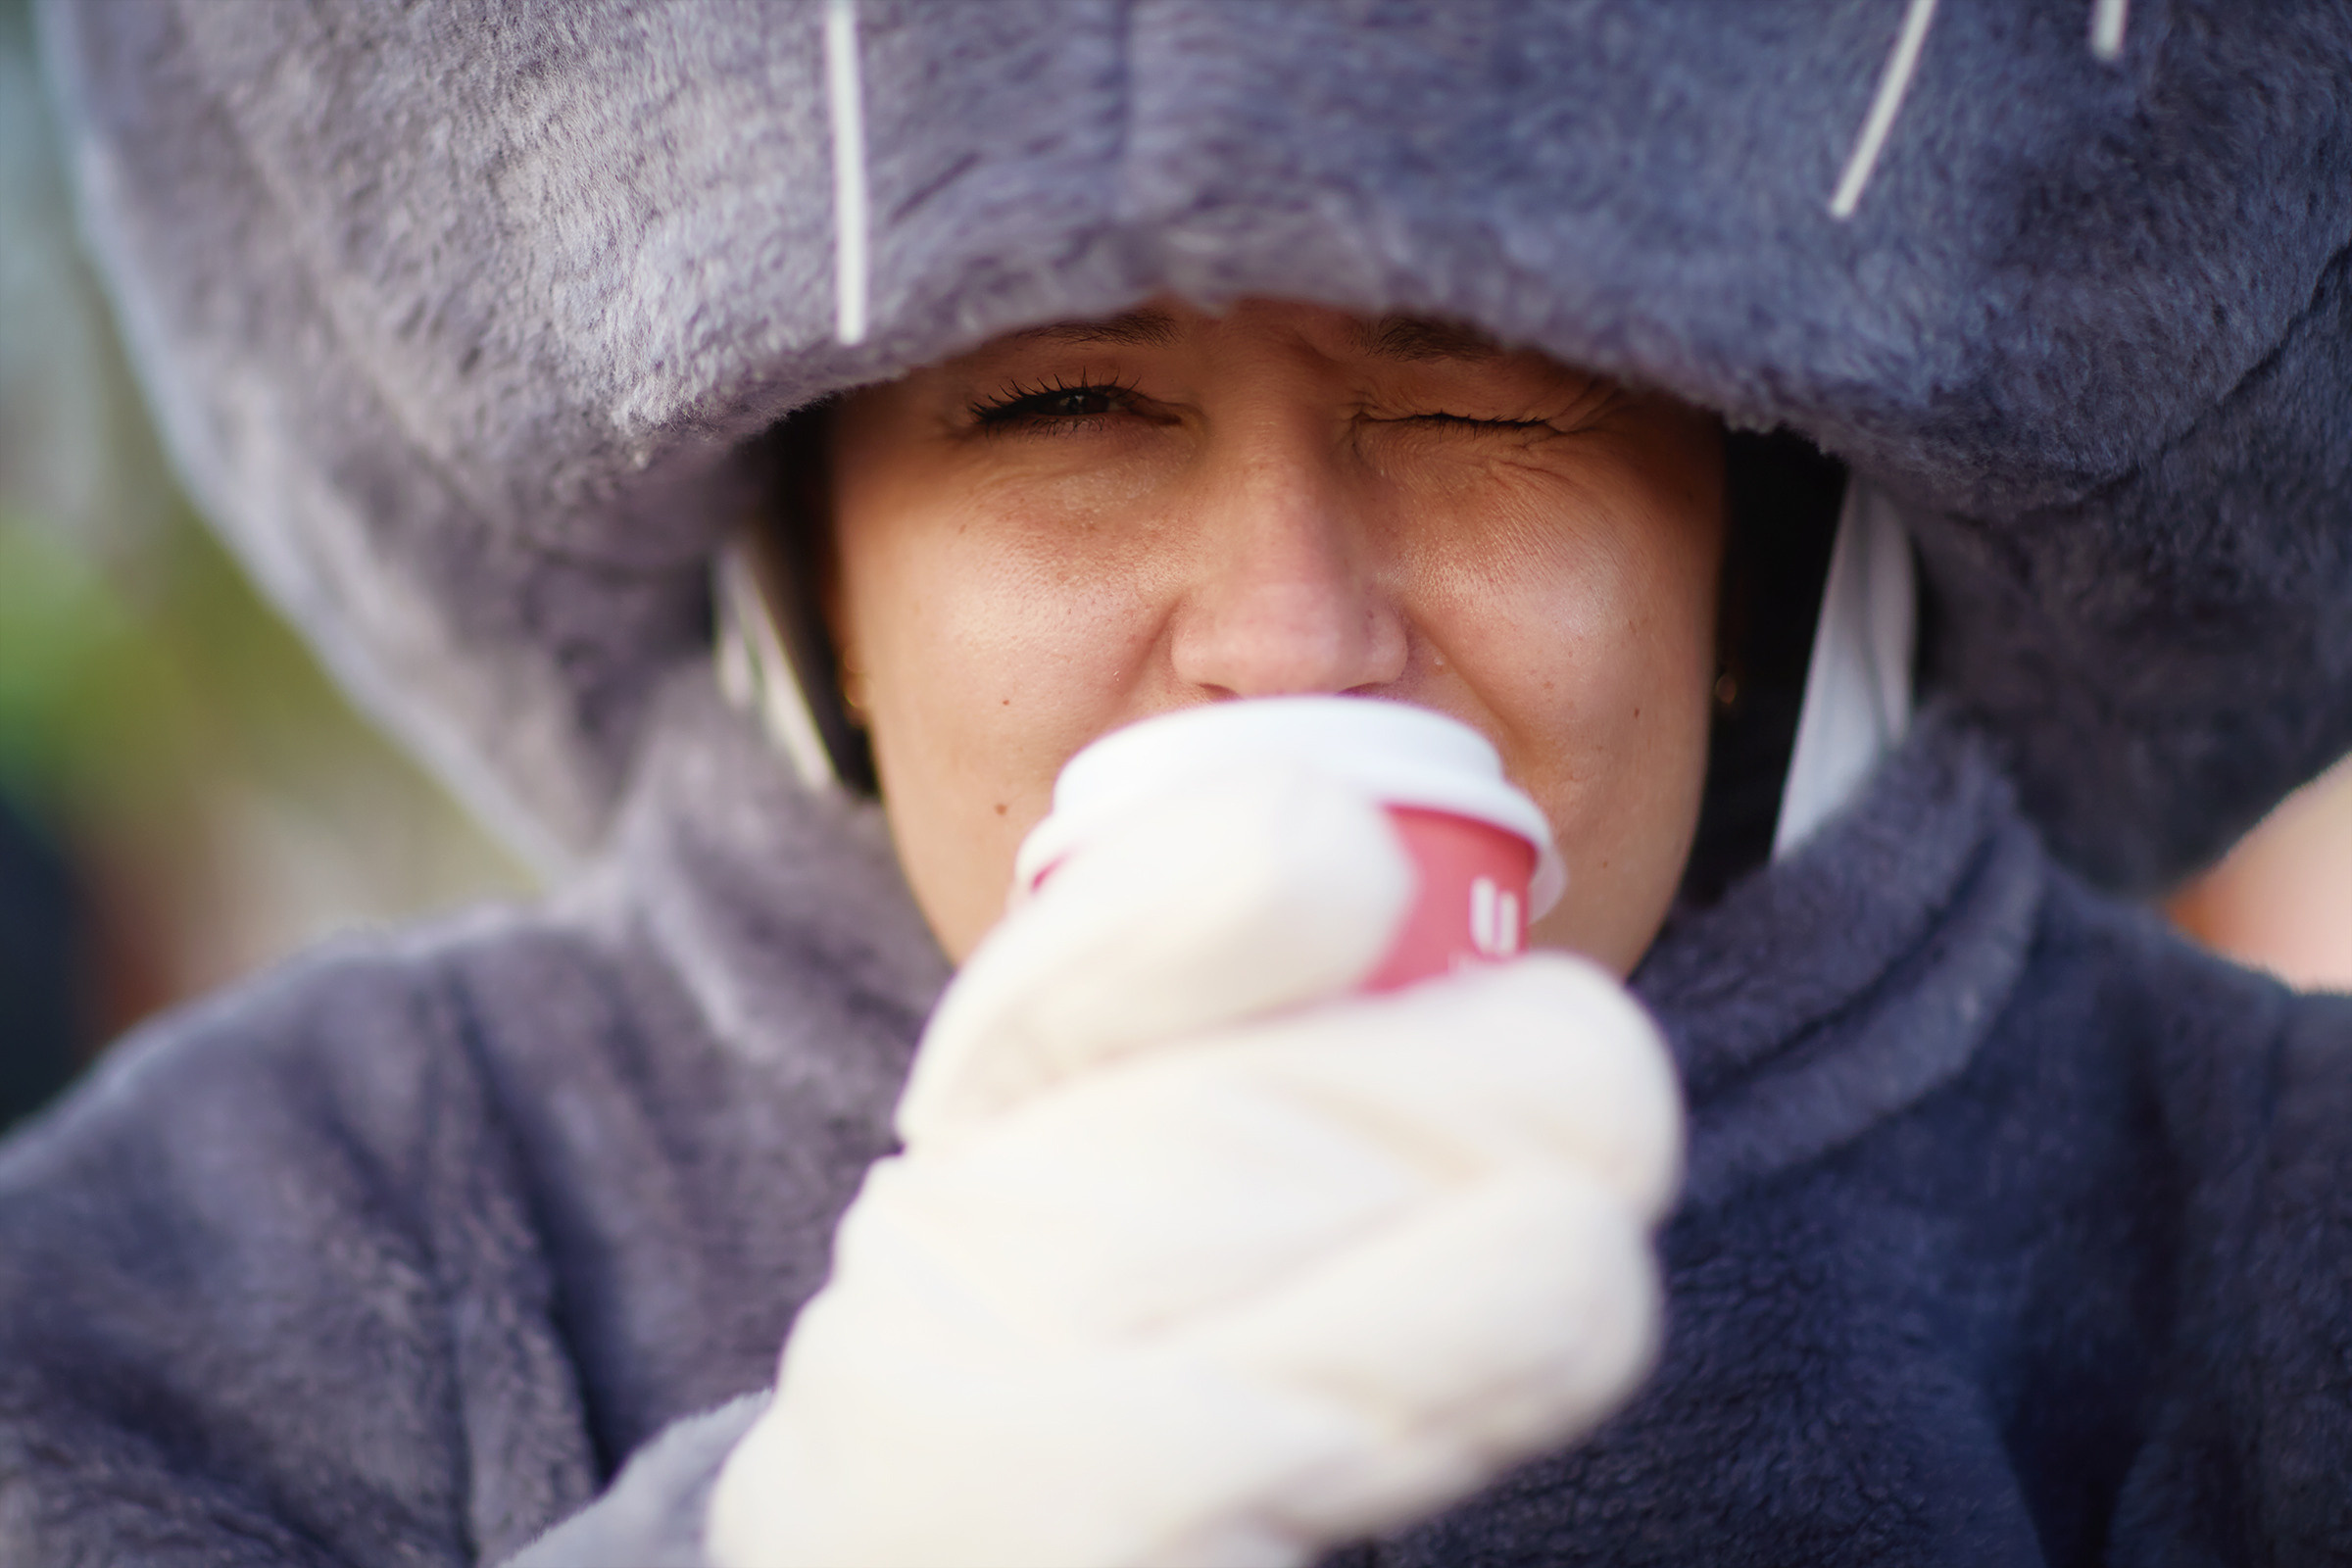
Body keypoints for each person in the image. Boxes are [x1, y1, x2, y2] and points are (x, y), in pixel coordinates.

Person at [7, 3, 2352, 1565]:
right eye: (1065, 412)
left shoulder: (2261, 1234)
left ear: (1769, 534)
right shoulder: (268, 1246)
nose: (1289, 634)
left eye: (1492, 401)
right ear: (809, 555)